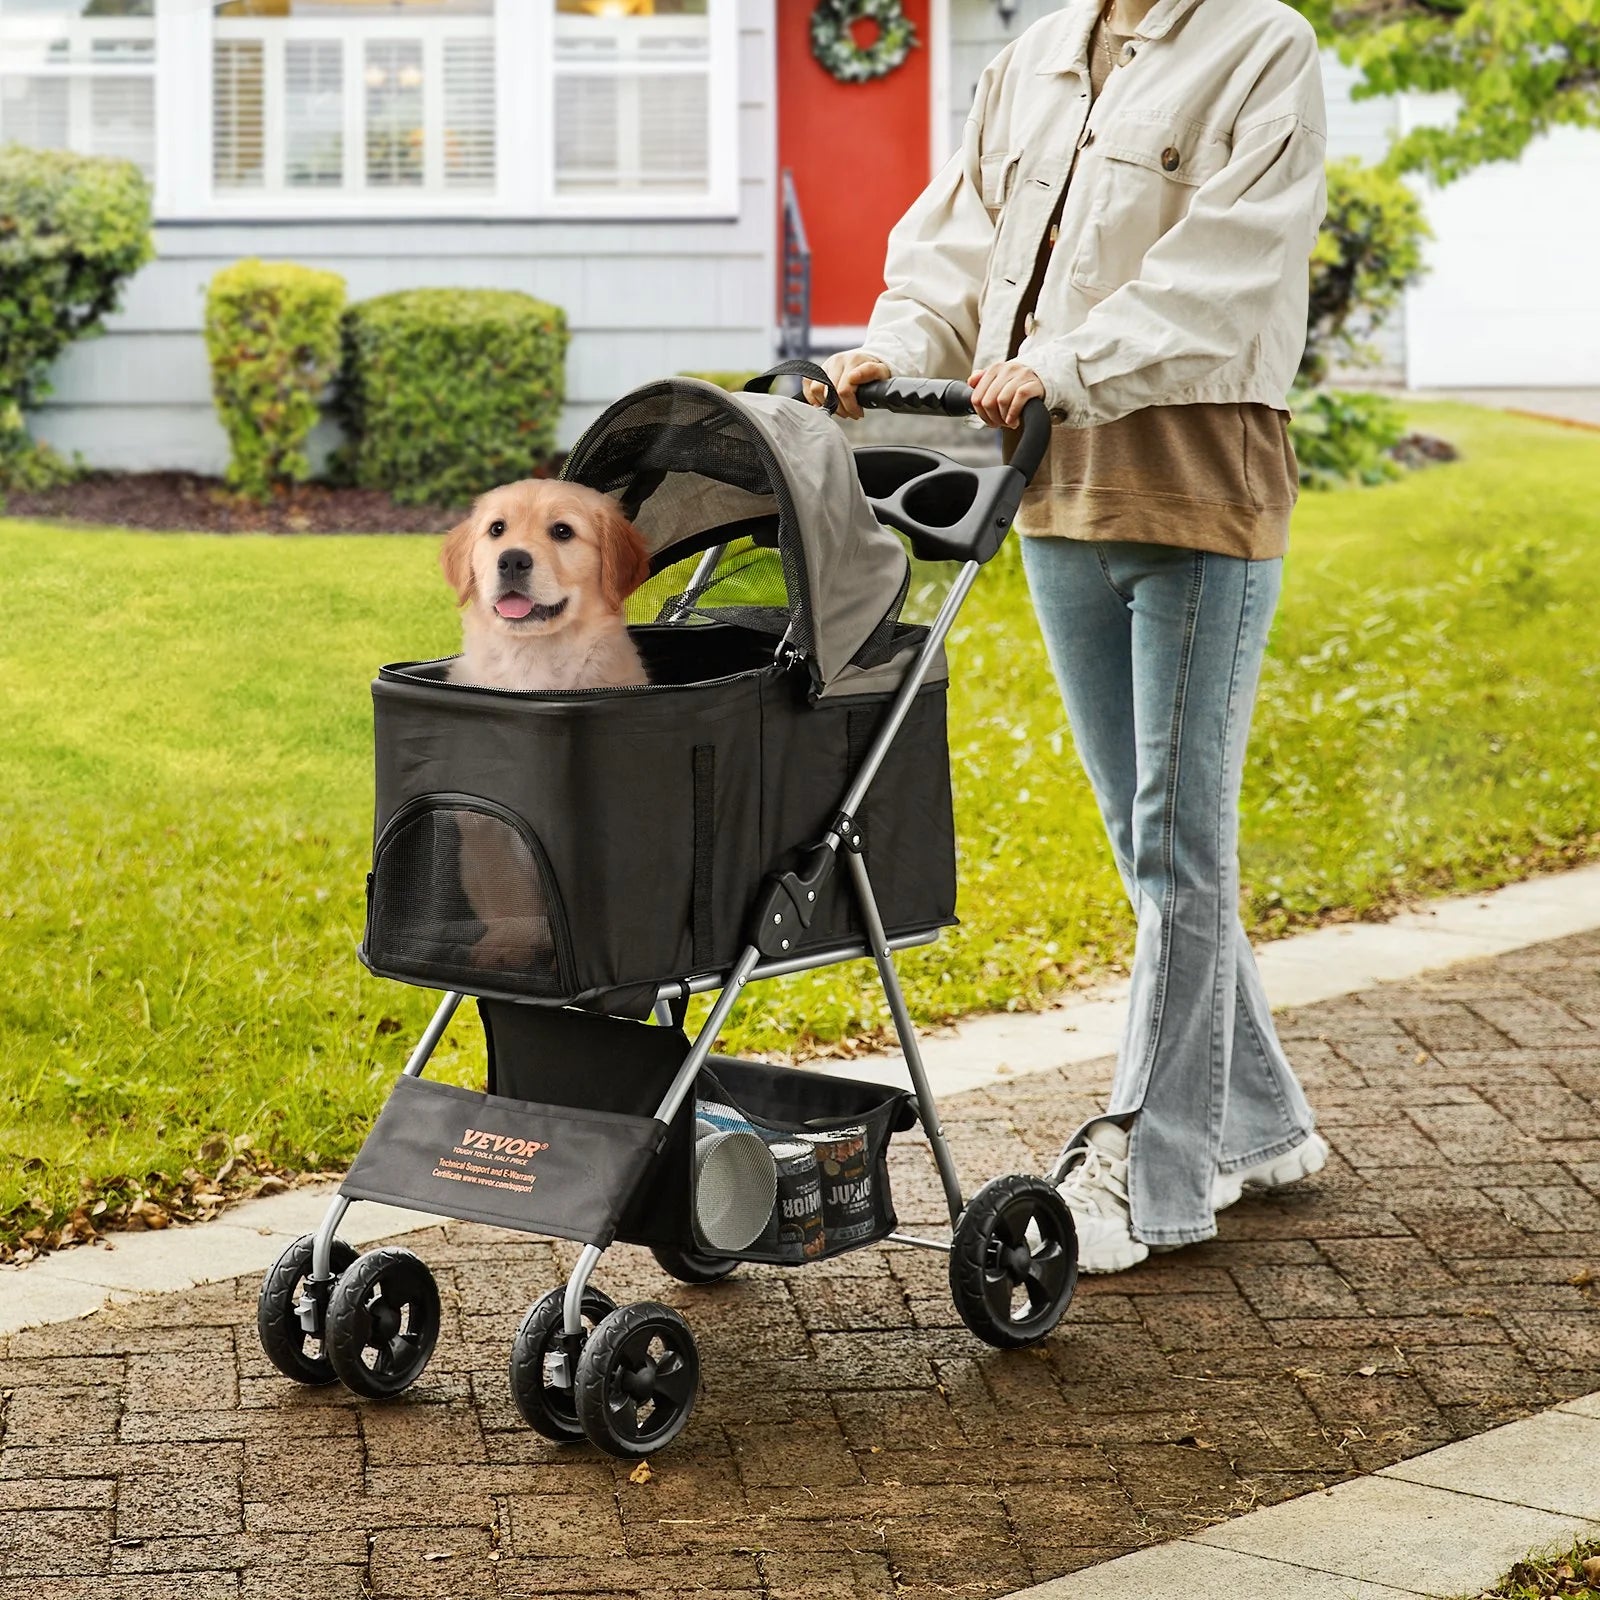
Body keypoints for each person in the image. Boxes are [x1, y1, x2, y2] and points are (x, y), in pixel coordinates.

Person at [810, 0, 1330, 1272]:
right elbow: (958, 243)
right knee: (1145, 840)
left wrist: (1067, 362)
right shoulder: (1033, 56)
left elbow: (1231, 264)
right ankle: (1261, 1123)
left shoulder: (1262, 43)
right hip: (1050, 483)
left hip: (1195, 480)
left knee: (1175, 844)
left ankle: (1148, 1172)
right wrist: (891, 349)